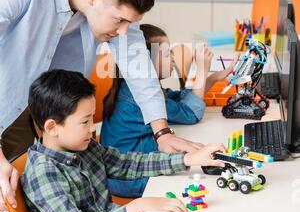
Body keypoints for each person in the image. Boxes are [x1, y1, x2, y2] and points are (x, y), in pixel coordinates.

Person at [0, 0, 205, 212]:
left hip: (42, 107)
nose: (124, 32)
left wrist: (162, 133)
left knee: (18, 201)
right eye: (120, 20)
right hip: (7, 99)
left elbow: (137, 63)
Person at [21, 70, 225, 212]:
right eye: (85, 121)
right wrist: (134, 208)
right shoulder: (43, 173)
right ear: (52, 127)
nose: (93, 127)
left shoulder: (83, 146)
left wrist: (188, 158)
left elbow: (129, 164)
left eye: (92, 117)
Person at [101, 24, 236, 197]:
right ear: (146, 63)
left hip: (129, 166)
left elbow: (181, 99)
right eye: (167, 54)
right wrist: (201, 72)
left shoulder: (139, 87)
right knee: (194, 182)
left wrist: (214, 77)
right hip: (127, 178)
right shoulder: (141, 96)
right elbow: (191, 113)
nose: (173, 58)